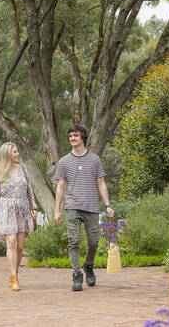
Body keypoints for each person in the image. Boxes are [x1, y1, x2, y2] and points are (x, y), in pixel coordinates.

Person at [53, 124, 114, 291]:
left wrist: (108, 205)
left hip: (91, 207)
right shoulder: (64, 162)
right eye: (71, 136)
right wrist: (57, 210)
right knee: (74, 241)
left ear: (83, 138)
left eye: (76, 135)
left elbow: (101, 183)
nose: (72, 138)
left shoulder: (94, 159)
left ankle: (88, 266)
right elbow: (60, 186)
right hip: (72, 207)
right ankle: (76, 274)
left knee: (94, 242)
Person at [0, 142, 37, 292]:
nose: (17, 154)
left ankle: (15, 273)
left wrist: (33, 207)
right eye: (14, 152)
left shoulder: (23, 169)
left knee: (20, 246)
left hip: (22, 209)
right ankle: (14, 277)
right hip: (5, 210)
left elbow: (29, 190)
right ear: (7, 154)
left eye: (17, 152)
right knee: (11, 242)